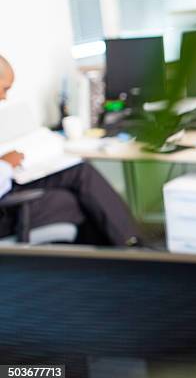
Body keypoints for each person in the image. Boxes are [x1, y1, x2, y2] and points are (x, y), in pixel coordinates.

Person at [0, 54, 141, 246]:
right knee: (71, 201)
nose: (4, 97)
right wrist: (6, 164)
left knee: (80, 172)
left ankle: (124, 247)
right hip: (6, 205)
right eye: (4, 89)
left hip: (10, 184)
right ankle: (127, 249)